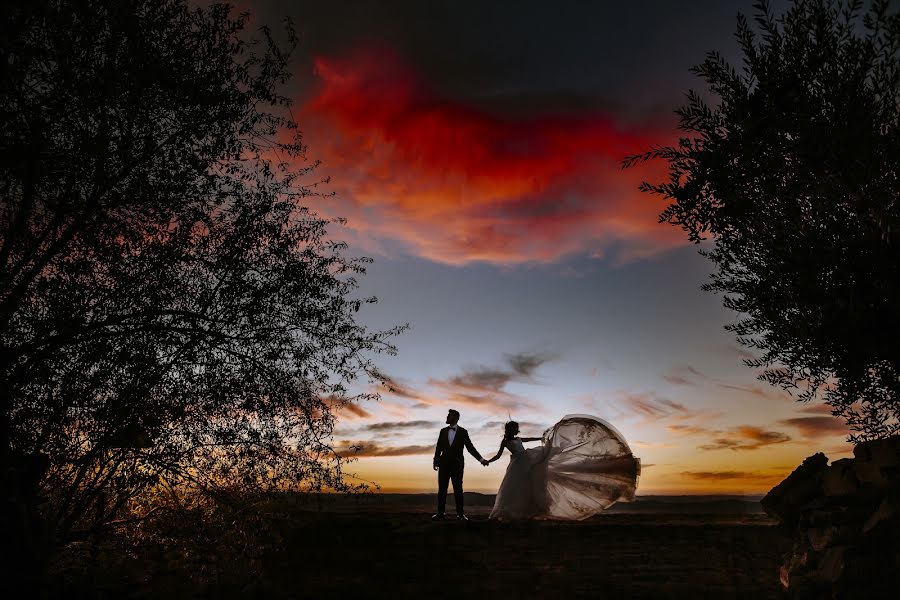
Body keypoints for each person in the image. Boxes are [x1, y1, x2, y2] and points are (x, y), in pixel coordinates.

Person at [486, 414, 641, 521]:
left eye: (516, 429)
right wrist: (486, 461)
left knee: (529, 484)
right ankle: (512, 511)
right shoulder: (505, 442)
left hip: (527, 459)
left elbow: (528, 439)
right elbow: (499, 455)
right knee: (516, 487)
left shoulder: (519, 439)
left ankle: (526, 510)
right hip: (517, 464)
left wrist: (543, 438)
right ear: (508, 430)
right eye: (512, 429)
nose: (515, 431)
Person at [432, 409, 488, 521]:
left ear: (455, 418)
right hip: (443, 465)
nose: (447, 417)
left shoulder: (463, 432)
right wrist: (436, 461)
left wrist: (481, 459)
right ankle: (440, 513)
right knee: (442, 489)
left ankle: (460, 514)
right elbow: (438, 448)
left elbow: (470, 448)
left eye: (449, 415)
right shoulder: (442, 431)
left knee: (458, 489)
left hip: (457, 465)